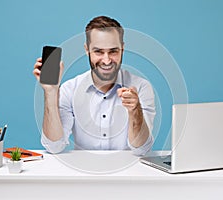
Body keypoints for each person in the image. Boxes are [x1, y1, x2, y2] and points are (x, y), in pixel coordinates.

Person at [33, 16, 155, 156]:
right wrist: (51, 93)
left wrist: (135, 111)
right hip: (83, 175)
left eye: (113, 51)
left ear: (122, 49)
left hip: (128, 175)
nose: (107, 60)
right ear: (87, 49)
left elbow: (142, 149)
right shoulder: (69, 89)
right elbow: (54, 147)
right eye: (98, 51)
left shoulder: (141, 87)